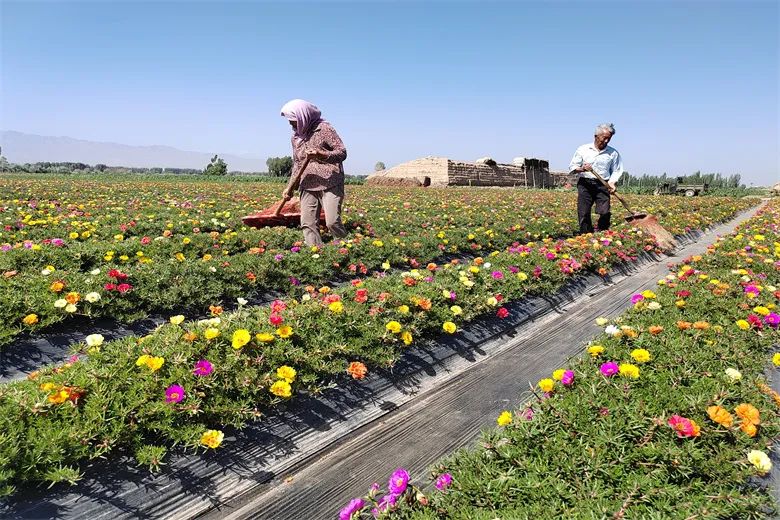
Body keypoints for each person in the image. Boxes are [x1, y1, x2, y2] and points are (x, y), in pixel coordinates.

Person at [280, 99, 348, 248]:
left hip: (329, 182)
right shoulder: (296, 138)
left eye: (293, 121)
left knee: (332, 221)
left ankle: (345, 249)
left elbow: (342, 153)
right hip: (307, 183)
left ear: (303, 116)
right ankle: (316, 253)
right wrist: (290, 187)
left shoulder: (324, 129)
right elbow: (297, 164)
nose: (291, 125)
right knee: (307, 223)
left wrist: (321, 154)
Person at [568, 123, 624, 234]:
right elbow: (572, 167)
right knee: (583, 212)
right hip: (585, 183)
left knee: (604, 212)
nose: (607, 141)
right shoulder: (583, 149)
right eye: (604, 138)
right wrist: (583, 168)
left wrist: (612, 183)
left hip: (603, 184)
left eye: (609, 138)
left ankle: (602, 234)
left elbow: (617, 170)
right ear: (596, 136)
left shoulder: (613, 153)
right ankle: (585, 235)